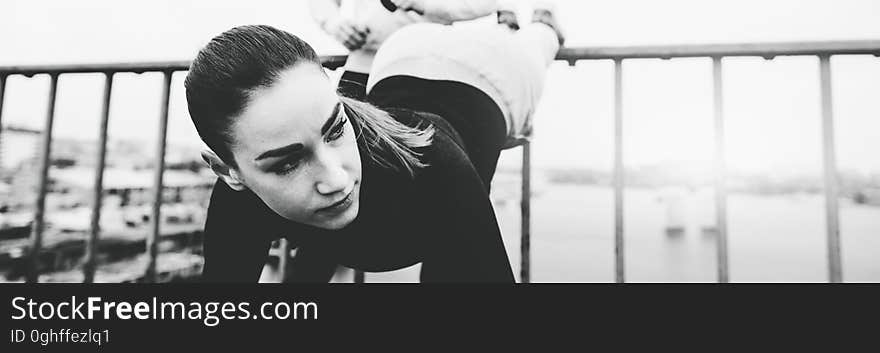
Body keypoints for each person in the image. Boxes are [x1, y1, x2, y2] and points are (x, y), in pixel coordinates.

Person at [186, 3, 564, 282]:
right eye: (286, 163)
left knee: (536, 44)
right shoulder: (238, 196)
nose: (336, 179)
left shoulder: (432, 164)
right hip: (404, 49)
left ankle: (543, 23)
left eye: (336, 128)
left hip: (493, 73)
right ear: (228, 170)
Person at [308, 0, 510, 100]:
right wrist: (334, 23)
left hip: (425, 72)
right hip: (363, 66)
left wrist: (422, 3)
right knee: (346, 152)